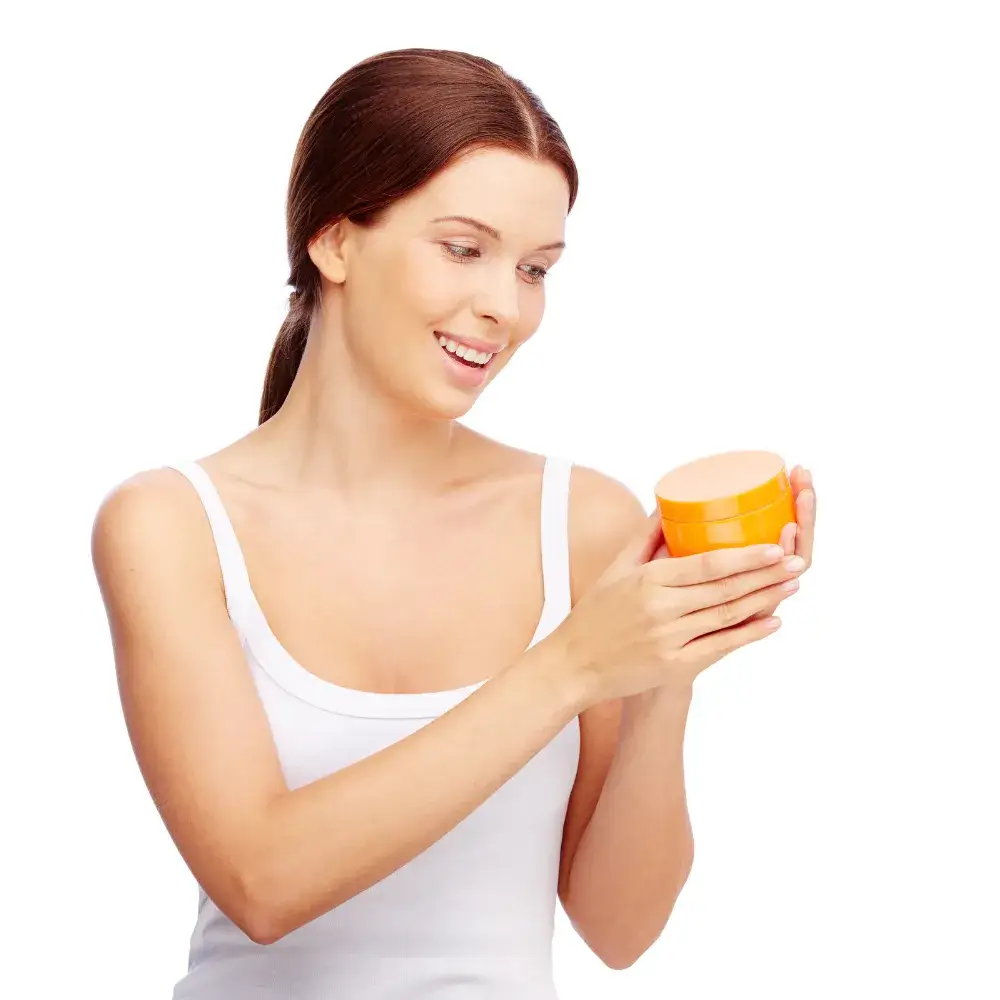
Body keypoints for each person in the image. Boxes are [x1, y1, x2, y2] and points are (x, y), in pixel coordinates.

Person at [91, 47, 816, 1000]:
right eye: (463, 248)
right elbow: (263, 881)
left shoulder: (583, 521)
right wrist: (573, 666)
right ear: (335, 241)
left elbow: (619, 928)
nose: (503, 308)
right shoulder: (170, 525)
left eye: (535, 268)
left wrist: (664, 679)